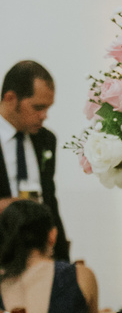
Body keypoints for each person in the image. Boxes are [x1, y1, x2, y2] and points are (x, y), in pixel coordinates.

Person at [0, 61, 69, 261]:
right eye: (38, 107)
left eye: (47, 108)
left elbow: (50, 201)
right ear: (10, 98)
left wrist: (63, 263)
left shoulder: (46, 140)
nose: (44, 116)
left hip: (39, 259)